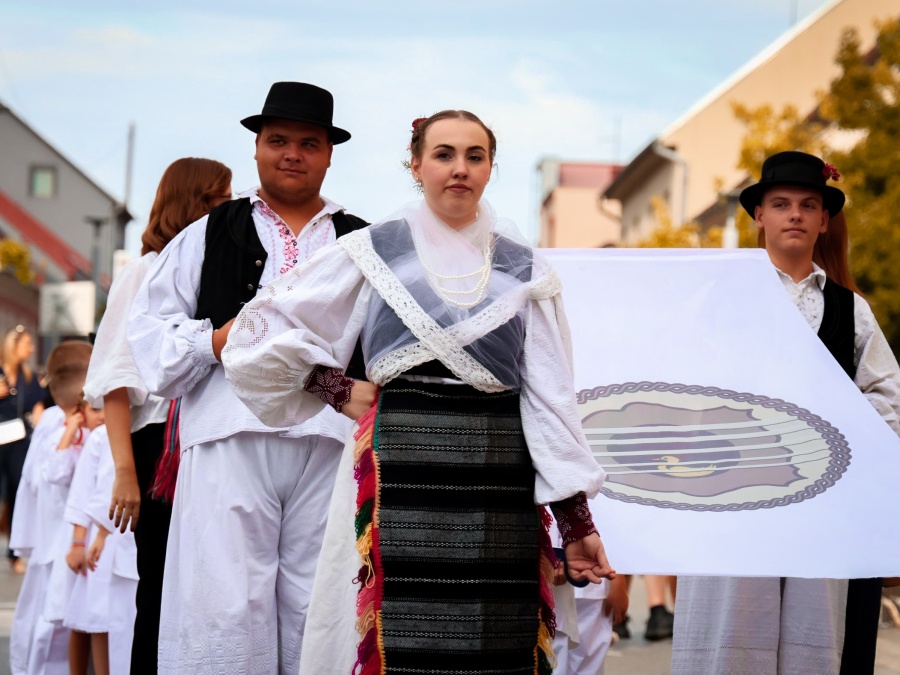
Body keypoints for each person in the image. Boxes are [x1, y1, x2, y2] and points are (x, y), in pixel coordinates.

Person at [222, 110, 615, 674]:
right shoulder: (375, 249)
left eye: (474, 156)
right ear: (416, 165)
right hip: (399, 468)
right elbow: (261, 329)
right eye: (444, 154)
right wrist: (332, 385)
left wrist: (576, 523)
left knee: (496, 641)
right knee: (400, 638)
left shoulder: (523, 266)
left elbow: (550, 399)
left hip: (499, 474)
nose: (459, 169)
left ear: (490, 168)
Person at [127, 82, 367, 674]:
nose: (292, 153)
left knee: (319, 601)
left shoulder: (361, 240)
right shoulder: (208, 233)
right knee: (223, 603)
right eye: (278, 140)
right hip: (228, 433)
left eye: (308, 143)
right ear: (256, 148)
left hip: (328, 441)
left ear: (329, 154)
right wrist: (216, 339)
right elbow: (148, 337)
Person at [672, 151, 900, 675]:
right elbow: (683, 384)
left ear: (824, 221)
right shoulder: (717, 298)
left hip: (822, 498)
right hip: (737, 495)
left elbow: (888, 399)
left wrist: (843, 443)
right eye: (780, 204)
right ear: (760, 217)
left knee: (814, 633)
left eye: (807, 204)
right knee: (732, 629)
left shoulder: (850, 309)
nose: (794, 214)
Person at [82, 156, 231, 675]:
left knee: (209, 593)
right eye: (218, 197)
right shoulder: (144, 271)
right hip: (157, 452)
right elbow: (116, 383)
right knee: (162, 592)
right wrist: (125, 473)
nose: (228, 207)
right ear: (192, 202)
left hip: (208, 441)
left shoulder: (217, 272)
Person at [8, 341, 92, 675]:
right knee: (53, 627)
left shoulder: (84, 421)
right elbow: (41, 476)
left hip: (68, 537)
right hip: (60, 538)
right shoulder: (59, 422)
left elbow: (32, 480)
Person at [0, 326, 46, 568]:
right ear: (13, 346)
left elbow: (38, 403)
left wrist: (40, 417)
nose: (31, 348)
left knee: (18, 490)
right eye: (27, 344)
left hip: (19, 441)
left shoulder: (29, 377)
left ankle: (14, 554)